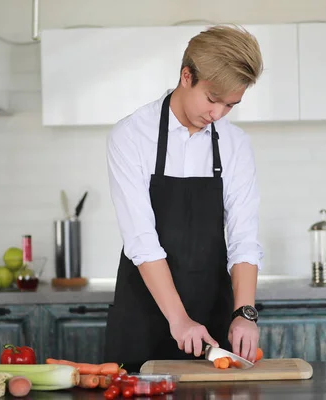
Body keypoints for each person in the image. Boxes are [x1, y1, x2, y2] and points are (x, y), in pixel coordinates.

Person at [104, 24, 265, 372]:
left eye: (230, 105)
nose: (217, 115)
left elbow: (244, 237)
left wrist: (244, 312)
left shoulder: (235, 144)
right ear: (186, 75)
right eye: (212, 99)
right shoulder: (132, 136)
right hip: (143, 318)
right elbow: (142, 240)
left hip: (212, 318)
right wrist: (179, 319)